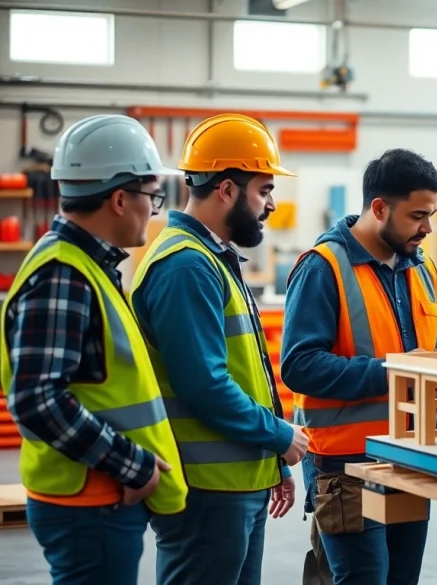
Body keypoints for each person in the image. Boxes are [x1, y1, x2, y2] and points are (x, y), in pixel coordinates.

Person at [0, 114, 188, 585]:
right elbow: (36, 398)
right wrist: (133, 464)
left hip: (98, 497)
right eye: (152, 195)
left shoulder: (82, 264)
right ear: (121, 198)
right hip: (91, 501)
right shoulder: (64, 273)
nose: (155, 209)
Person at [129, 113, 308, 585]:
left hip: (236, 481)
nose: (270, 204)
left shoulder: (212, 258)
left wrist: (271, 460)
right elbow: (203, 383)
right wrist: (278, 435)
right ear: (227, 190)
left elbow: (241, 372)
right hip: (208, 489)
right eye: (264, 190)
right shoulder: (185, 266)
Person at [280, 148, 437, 585]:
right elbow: (300, 365)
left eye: (432, 214)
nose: (428, 227)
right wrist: (399, 371)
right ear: (379, 208)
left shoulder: (422, 269)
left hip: (413, 458)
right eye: (418, 215)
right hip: (347, 469)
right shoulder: (323, 268)